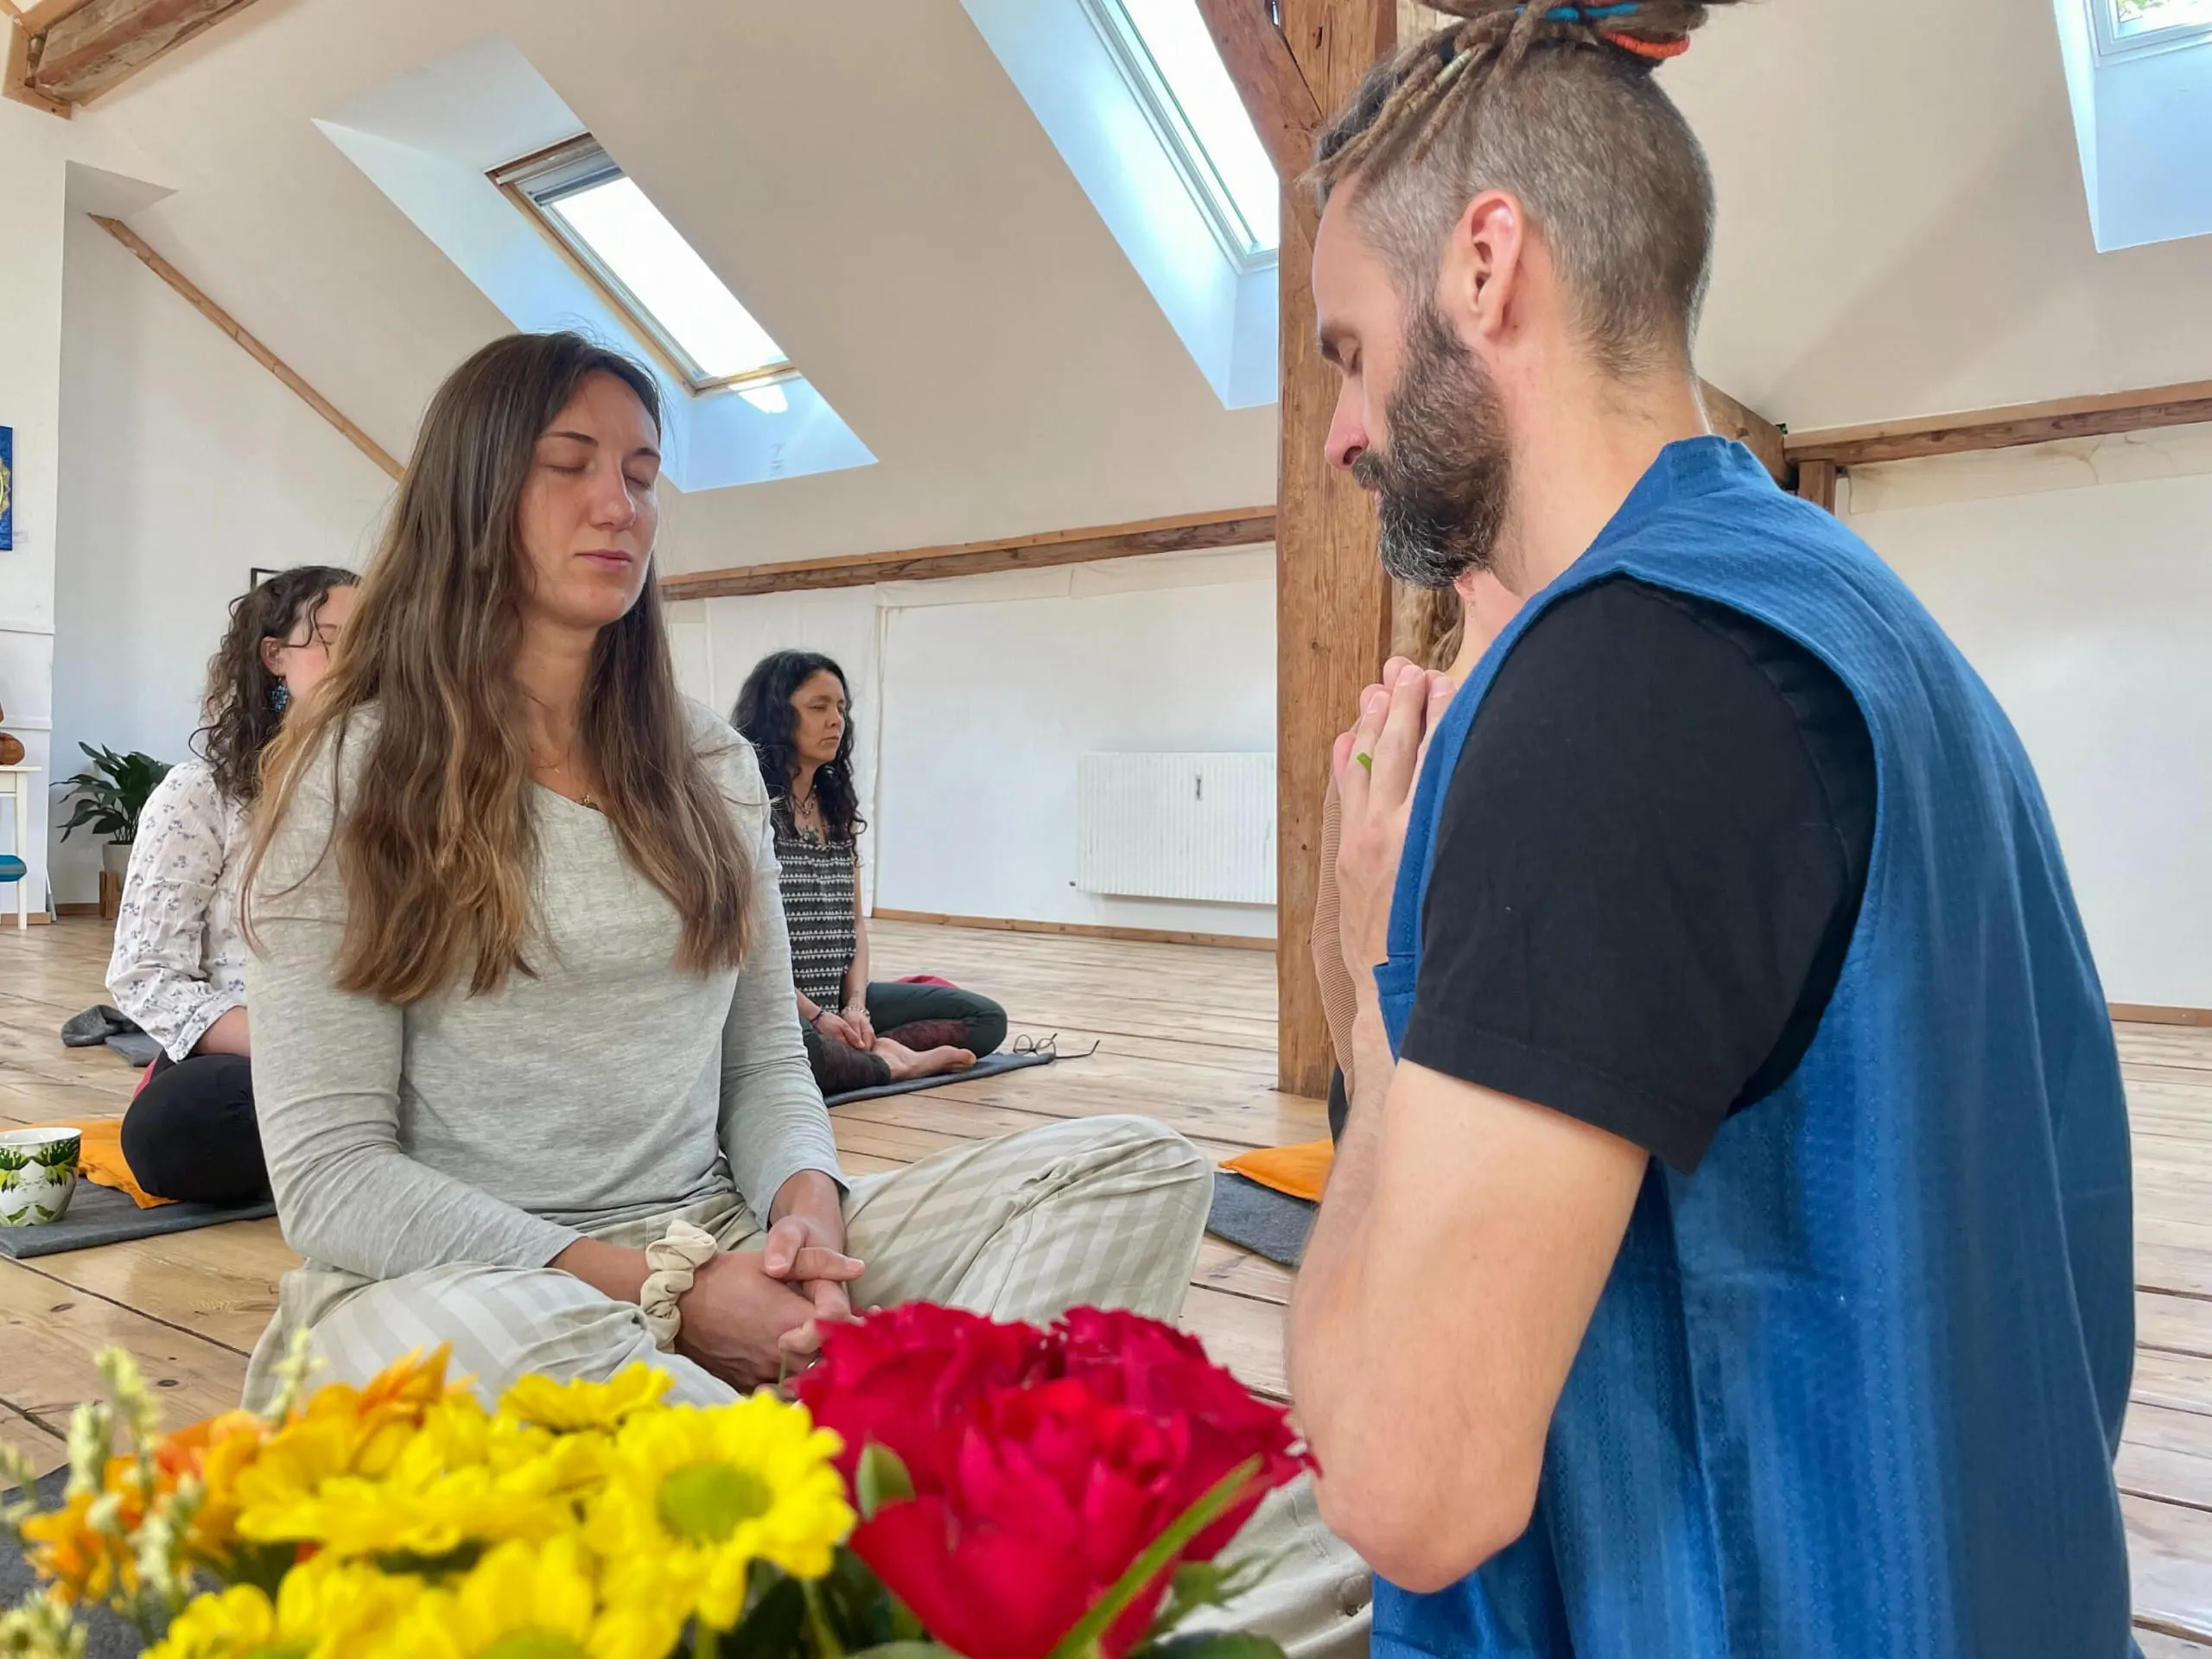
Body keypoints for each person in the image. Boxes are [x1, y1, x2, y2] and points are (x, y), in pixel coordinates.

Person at [1286, 4, 2136, 1656]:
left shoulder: (1616, 687)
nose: (1340, 432)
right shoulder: (1857, 614)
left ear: (1484, 267)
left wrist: (1381, 992)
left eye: (1350, 350)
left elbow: (1406, 1480)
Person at [236, 332, 1211, 1414]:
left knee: (1142, 1167)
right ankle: (891, 1461)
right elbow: (332, 1179)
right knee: (539, 1360)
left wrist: (807, 1222)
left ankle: (847, 1454)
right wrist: (667, 1292)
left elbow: (762, 1064)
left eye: (642, 474)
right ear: (469, 496)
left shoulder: (709, 763)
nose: (619, 506)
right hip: (464, 1289)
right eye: (568, 465)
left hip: (719, 1237)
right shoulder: (346, 774)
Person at [107, 565, 358, 1204]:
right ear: (275, 657)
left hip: (377, 1053)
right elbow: (145, 974)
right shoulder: (202, 794)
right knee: (180, 1126)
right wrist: (299, 1045)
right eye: (334, 639)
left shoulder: (406, 795)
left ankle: (356, 1153)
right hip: (255, 1059)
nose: (361, 661)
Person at [731, 650, 1007, 1096]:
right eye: (818, 707)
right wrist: (816, 1016)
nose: (836, 721)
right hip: (779, 1006)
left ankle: (872, 1052)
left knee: (987, 1018)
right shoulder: (746, 807)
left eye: (841, 708)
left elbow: (855, 924)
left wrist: (856, 1008)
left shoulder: (836, 808)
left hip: (837, 999)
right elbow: (746, 942)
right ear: (776, 714)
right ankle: (891, 1064)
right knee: (794, 1050)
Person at [1313, 574, 1518, 1138]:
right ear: (1468, 573)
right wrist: (1371, 1089)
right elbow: (1332, 940)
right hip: (1398, 1082)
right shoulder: (1394, 733)